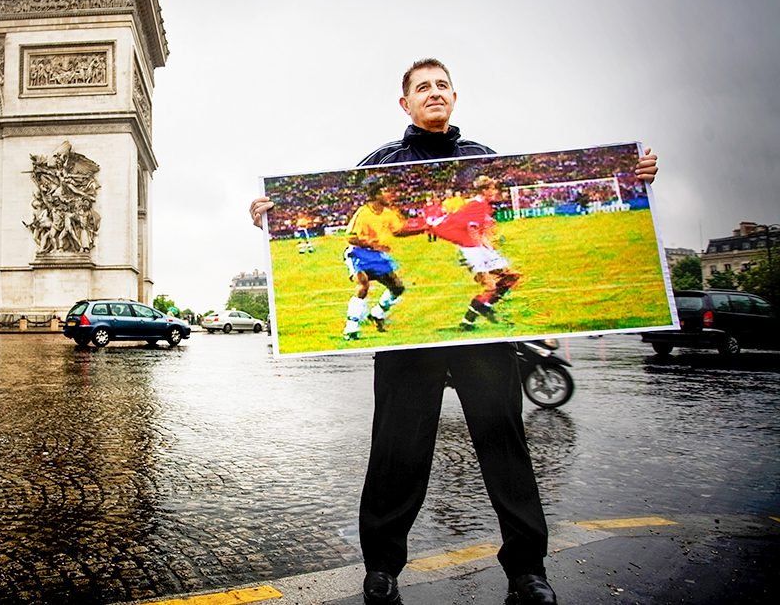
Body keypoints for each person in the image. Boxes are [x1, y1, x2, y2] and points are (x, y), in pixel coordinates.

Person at [250, 58, 658, 605]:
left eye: (442, 85)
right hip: (408, 347)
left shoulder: (480, 156)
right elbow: (341, 204)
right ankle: (382, 567)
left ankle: (527, 570)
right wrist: (269, 211)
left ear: (454, 96)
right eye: (423, 87)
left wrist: (636, 175)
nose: (434, 92)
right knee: (397, 447)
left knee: (503, 440)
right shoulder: (382, 162)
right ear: (406, 103)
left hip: (481, 349)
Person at [428, 175, 522, 330]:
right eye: (492, 188)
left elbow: (480, 229)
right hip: (471, 249)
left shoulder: (482, 205)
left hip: (478, 248)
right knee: (490, 286)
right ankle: (468, 321)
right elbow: (472, 229)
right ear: (484, 190)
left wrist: (489, 245)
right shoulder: (476, 205)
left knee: (511, 277)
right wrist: (484, 249)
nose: (495, 191)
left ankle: (484, 307)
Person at [341, 181, 414, 338]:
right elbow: (350, 237)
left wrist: (422, 228)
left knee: (397, 288)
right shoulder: (363, 213)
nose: (390, 195)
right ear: (376, 195)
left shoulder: (388, 213)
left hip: (377, 256)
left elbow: (398, 231)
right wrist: (371, 244)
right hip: (359, 253)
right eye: (386, 191)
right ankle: (351, 328)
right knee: (363, 285)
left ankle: (377, 314)